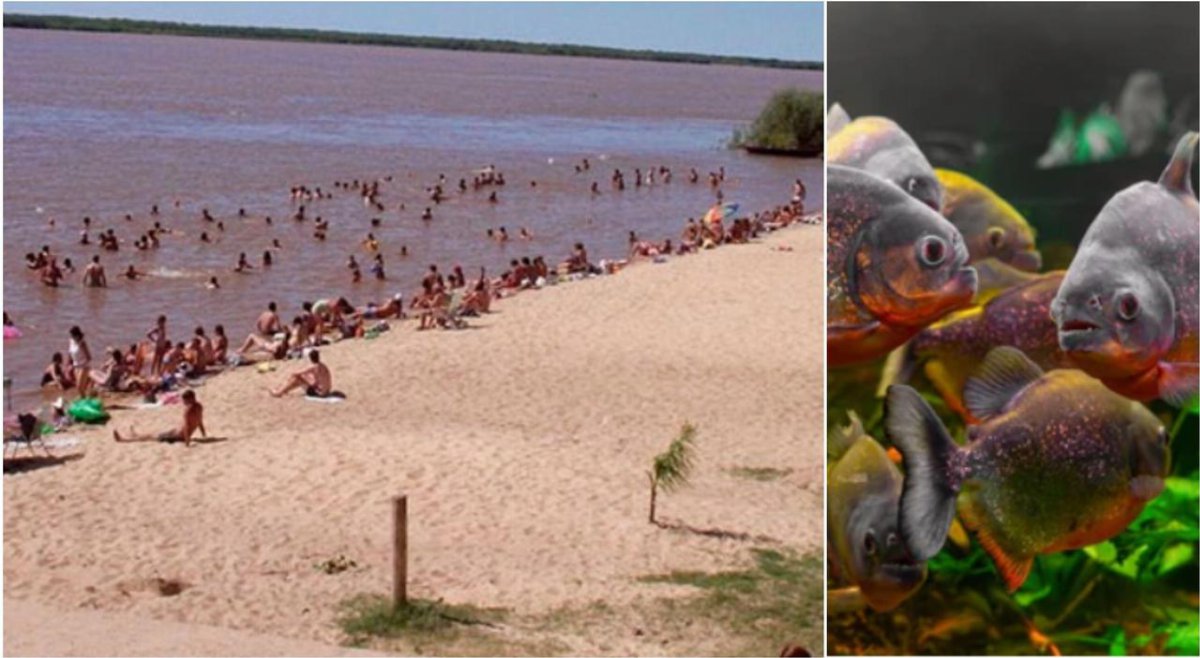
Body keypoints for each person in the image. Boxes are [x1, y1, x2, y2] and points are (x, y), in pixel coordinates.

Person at [114, 389, 206, 447]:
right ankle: (135, 434)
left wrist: (187, 443)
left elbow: (186, 426)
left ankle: (124, 440)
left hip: (178, 437)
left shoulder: (188, 410)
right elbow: (200, 421)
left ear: (190, 399)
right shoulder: (199, 406)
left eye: (184, 400)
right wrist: (204, 434)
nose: (183, 403)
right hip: (177, 432)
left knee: (151, 437)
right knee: (153, 433)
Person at [67, 326, 92, 397]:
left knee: (79, 387)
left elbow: (89, 357)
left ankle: (84, 401)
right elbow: (70, 353)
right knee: (79, 388)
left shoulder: (82, 343)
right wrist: (69, 364)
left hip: (83, 366)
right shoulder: (71, 341)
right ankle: (84, 399)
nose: (72, 337)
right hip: (76, 366)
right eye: (71, 335)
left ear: (77, 335)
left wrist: (82, 362)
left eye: (73, 335)